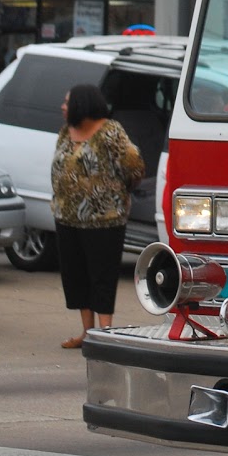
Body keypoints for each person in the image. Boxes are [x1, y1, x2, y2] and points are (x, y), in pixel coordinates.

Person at [51, 82, 145, 349]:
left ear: (82, 104)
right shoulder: (65, 133)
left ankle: (106, 332)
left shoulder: (110, 132)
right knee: (75, 276)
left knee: (101, 276)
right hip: (67, 218)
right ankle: (87, 332)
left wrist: (117, 192)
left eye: (67, 102)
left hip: (104, 220)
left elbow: (134, 166)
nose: (63, 107)